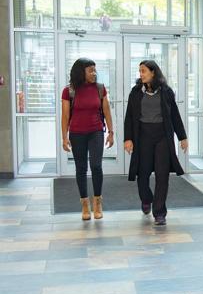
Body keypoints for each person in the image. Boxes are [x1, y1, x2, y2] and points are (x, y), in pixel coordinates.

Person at [123, 60, 188, 226]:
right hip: (143, 136)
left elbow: (174, 115)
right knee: (142, 175)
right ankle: (146, 199)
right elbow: (129, 117)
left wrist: (182, 137)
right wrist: (128, 138)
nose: (141, 74)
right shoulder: (136, 92)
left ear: (153, 72)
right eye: (140, 71)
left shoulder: (166, 92)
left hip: (162, 138)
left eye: (143, 71)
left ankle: (159, 212)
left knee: (162, 175)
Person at [60, 58, 115, 221]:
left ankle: (97, 202)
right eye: (90, 70)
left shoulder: (100, 89)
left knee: (96, 166)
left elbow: (107, 111)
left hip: (96, 131)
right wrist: (64, 137)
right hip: (77, 134)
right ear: (80, 72)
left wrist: (111, 132)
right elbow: (65, 116)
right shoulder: (68, 91)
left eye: (94, 70)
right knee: (81, 168)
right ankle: (85, 204)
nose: (94, 73)